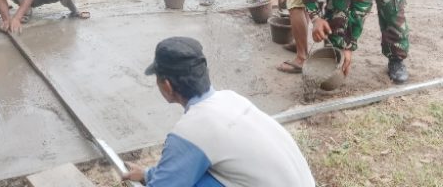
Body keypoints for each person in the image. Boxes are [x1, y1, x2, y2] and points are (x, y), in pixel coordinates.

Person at [122, 37, 315, 186]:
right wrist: (149, 174)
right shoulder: (230, 98)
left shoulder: (190, 131)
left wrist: (156, 179)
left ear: (167, 85)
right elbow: (181, 166)